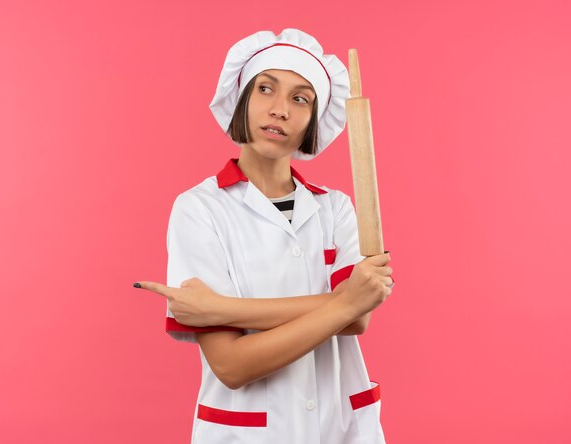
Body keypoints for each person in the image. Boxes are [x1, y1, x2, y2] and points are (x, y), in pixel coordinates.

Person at [135, 28, 393, 443]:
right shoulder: (199, 208)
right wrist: (345, 301)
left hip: (341, 429)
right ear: (242, 100)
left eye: (299, 98)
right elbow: (233, 366)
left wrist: (219, 309)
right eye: (266, 89)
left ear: (313, 119)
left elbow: (357, 320)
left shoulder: (336, 208)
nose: (279, 110)